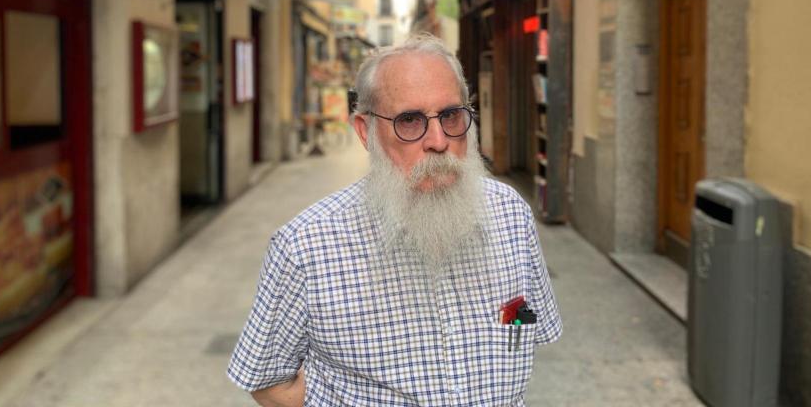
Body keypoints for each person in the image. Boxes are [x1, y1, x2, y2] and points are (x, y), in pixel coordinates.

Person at [228, 34, 561, 406]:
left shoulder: (511, 215)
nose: (438, 140)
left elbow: (527, 327)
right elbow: (269, 381)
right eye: (409, 120)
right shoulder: (305, 247)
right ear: (365, 131)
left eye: (451, 115)